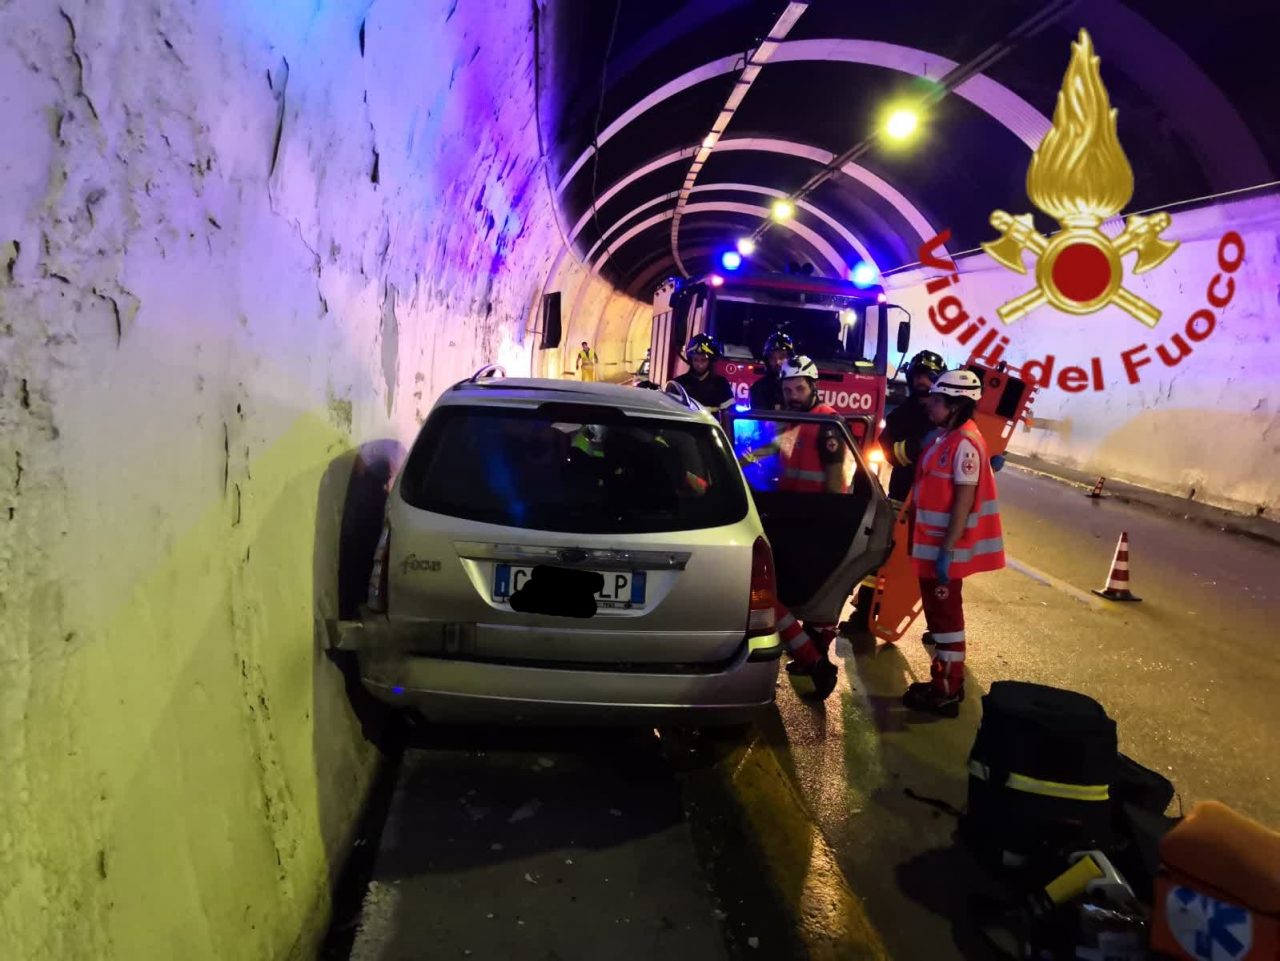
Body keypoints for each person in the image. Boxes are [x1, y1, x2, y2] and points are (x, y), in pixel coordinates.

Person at [739, 355, 846, 700]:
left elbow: (832, 479)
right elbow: (773, 449)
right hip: (791, 515)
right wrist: (740, 460)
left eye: (799, 387)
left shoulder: (827, 424)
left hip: (815, 519)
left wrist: (829, 520)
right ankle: (812, 658)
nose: (793, 394)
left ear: (813, 388)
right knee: (789, 593)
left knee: (778, 593)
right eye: (788, 388)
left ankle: (813, 659)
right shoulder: (792, 420)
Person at [902, 369, 1006, 717]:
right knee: (938, 617)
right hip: (931, 547)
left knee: (946, 621)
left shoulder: (964, 444)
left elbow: (963, 499)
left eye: (937, 400)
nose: (930, 405)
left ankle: (946, 689)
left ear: (957, 405)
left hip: (942, 549)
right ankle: (945, 683)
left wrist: (947, 550)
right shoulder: (947, 437)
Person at [880, 350, 947, 502]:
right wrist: (918, 445)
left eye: (928, 376)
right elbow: (890, 453)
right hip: (903, 497)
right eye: (918, 376)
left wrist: (988, 460)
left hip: (937, 500)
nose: (922, 381)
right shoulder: (899, 416)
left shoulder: (949, 415)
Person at [673, 333, 735, 411]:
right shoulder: (679, 384)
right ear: (690, 360)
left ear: (710, 361)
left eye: (703, 360)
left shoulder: (721, 384)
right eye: (696, 360)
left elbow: (728, 414)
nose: (700, 365)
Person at [749, 330, 795, 411]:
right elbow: (760, 421)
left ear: (791, 358)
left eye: (782, 356)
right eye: (772, 358)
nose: (777, 362)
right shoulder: (758, 388)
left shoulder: (799, 385)